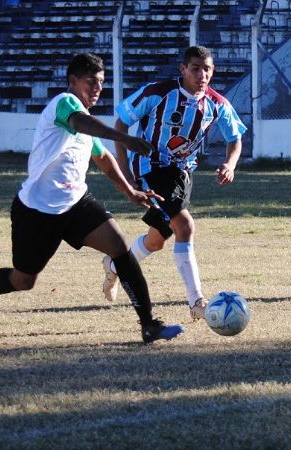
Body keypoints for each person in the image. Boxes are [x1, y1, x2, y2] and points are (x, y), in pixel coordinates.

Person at [0, 53, 184, 344]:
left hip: (76, 203)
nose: (97, 88)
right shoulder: (65, 105)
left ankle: (149, 325)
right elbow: (80, 123)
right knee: (24, 280)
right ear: (73, 81)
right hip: (36, 210)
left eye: (101, 82)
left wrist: (130, 191)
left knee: (120, 249)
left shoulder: (87, 120)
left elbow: (102, 157)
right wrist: (125, 138)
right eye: (91, 82)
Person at [100, 45, 247, 322]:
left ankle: (115, 265)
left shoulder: (217, 104)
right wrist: (126, 172)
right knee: (185, 225)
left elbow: (235, 137)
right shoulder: (158, 92)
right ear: (183, 69)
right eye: (195, 68)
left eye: (207, 69)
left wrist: (230, 164)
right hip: (150, 167)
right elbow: (120, 125)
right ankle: (197, 302)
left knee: (156, 241)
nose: (202, 74)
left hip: (181, 174)